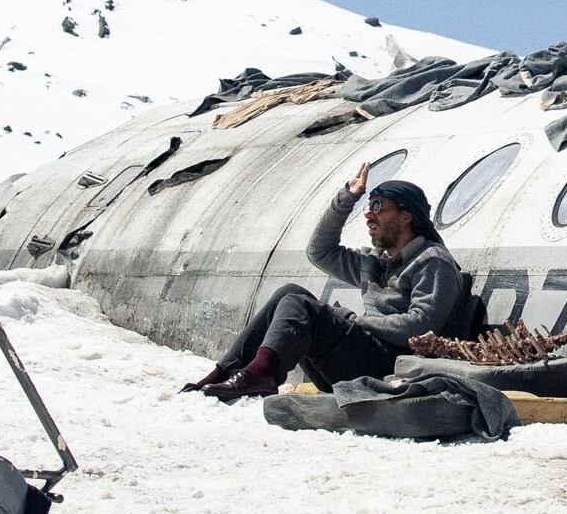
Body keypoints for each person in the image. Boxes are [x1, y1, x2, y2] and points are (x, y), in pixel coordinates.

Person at [187, 163, 470, 401]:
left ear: (406, 216)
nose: (368, 214)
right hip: (361, 360)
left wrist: (354, 321)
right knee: (290, 292)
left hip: (394, 369)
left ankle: (261, 374)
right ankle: (227, 372)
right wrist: (347, 197)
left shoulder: (433, 261)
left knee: (302, 307)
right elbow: (319, 251)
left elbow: (420, 326)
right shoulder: (375, 261)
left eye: (377, 206)